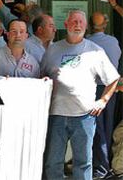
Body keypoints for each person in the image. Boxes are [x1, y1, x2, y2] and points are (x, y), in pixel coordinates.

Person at [41, 10, 120, 180]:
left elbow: (113, 79)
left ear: (86, 26)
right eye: (74, 21)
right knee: (52, 162)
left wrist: (103, 100)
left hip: (84, 116)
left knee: (83, 162)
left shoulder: (95, 51)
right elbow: (42, 75)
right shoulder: (52, 49)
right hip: (56, 114)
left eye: (81, 22)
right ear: (66, 25)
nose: (77, 25)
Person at [87, 11, 122, 179]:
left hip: (93, 89)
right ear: (105, 24)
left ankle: (101, 167)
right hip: (112, 88)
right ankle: (107, 166)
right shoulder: (114, 41)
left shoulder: (87, 43)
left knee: (96, 129)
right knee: (107, 128)